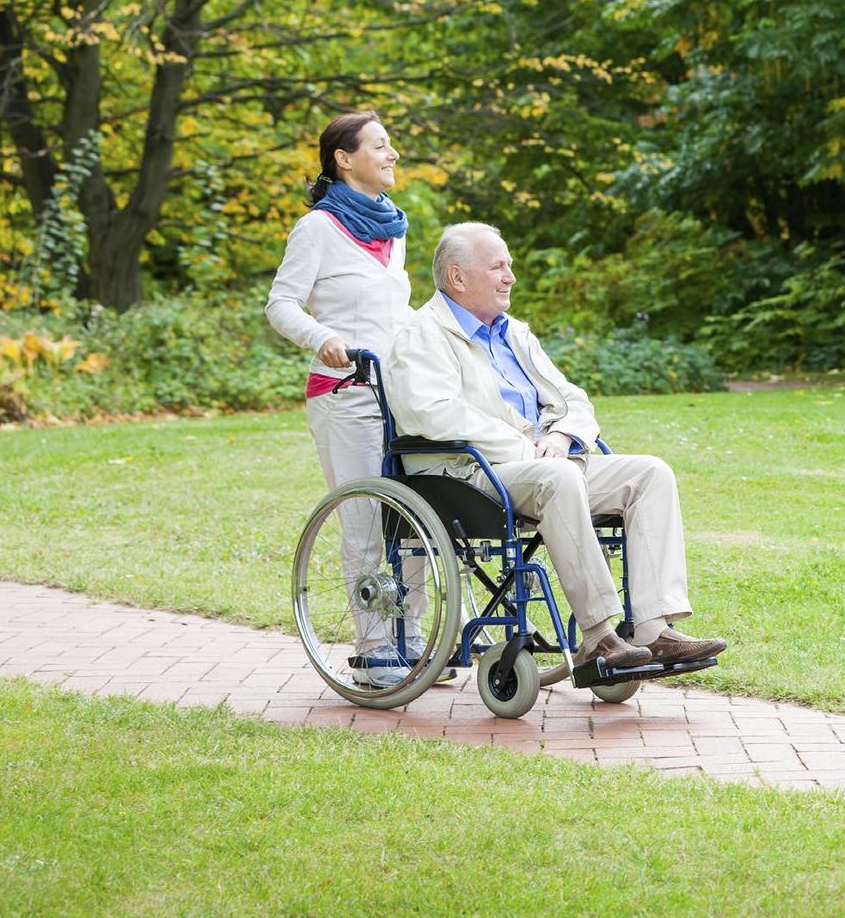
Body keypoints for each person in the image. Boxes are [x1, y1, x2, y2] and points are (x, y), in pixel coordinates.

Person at [384, 222, 727, 670]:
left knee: (650, 473)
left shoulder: (514, 333)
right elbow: (432, 414)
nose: (511, 277)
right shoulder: (422, 334)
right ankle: (599, 635)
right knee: (559, 475)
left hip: (544, 465)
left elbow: (573, 399)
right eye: (498, 267)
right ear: (458, 278)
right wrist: (527, 447)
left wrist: (564, 435)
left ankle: (652, 629)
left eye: (509, 266)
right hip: (467, 475)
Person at [266, 111, 436, 688]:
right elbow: (281, 304)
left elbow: (393, 314)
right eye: (381, 145)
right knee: (364, 519)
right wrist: (325, 337)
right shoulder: (316, 228)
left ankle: (416, 640)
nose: (393, 154)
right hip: (346, 394)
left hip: (401, 394)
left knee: (416, 518)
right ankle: (374, 648)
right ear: (345, 157)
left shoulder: (392, 228)